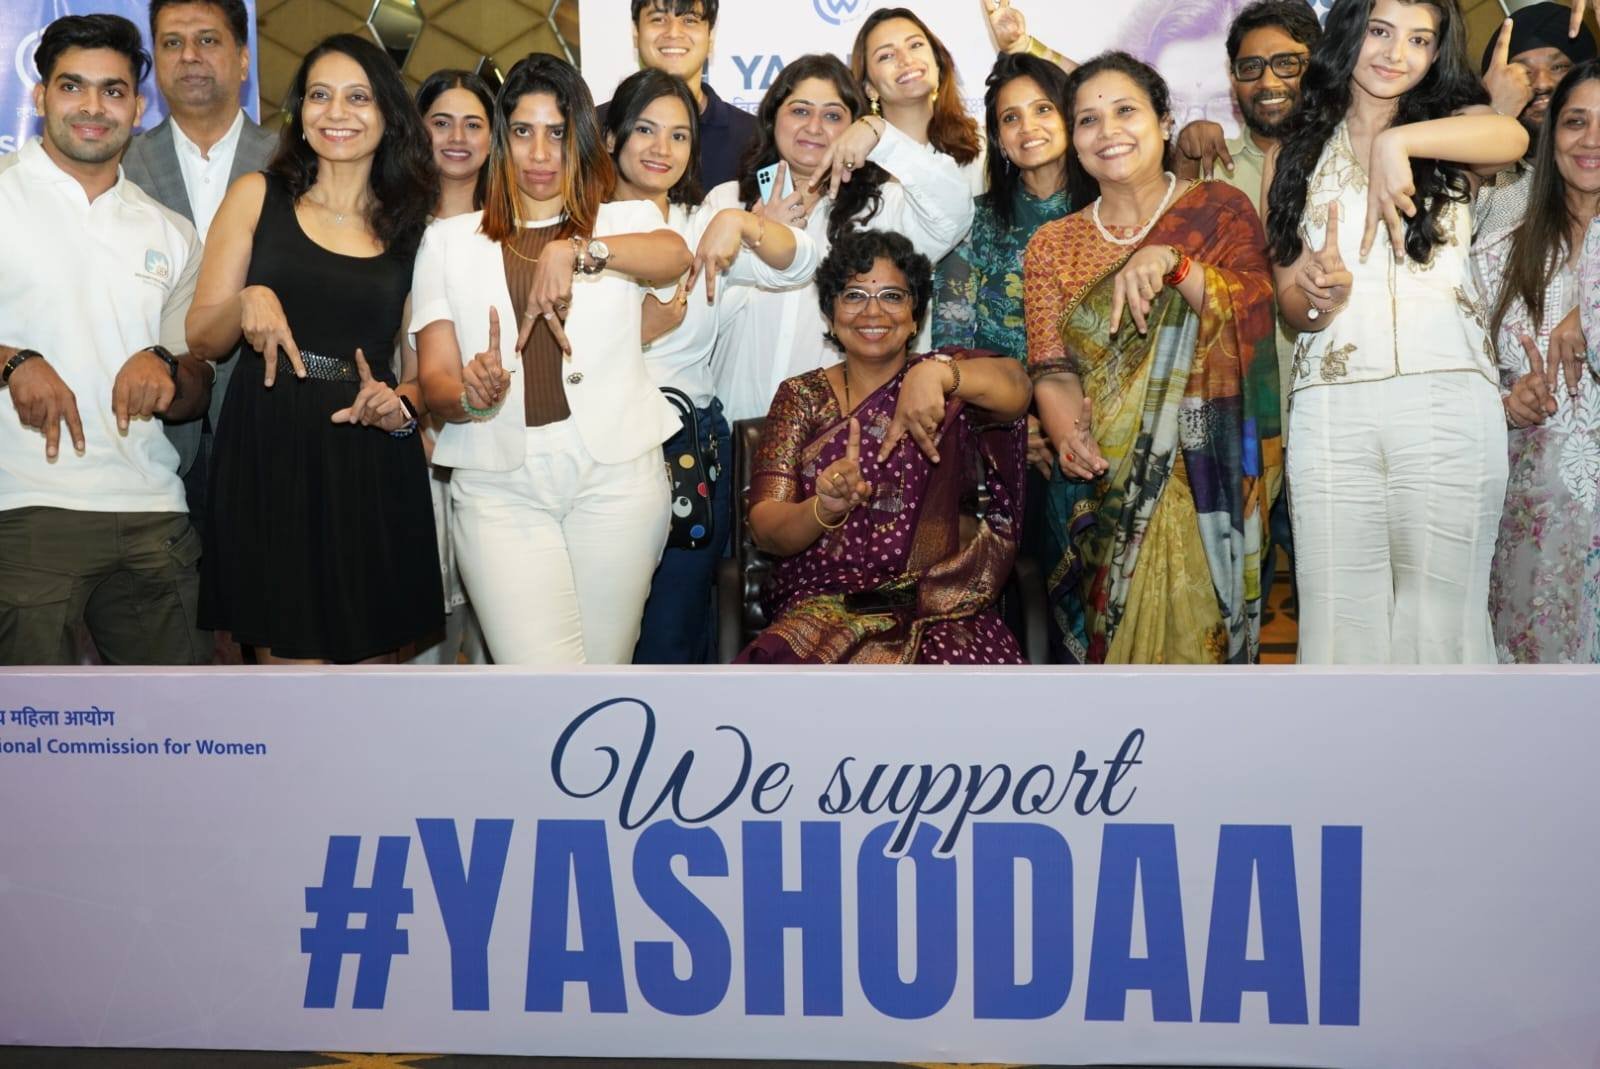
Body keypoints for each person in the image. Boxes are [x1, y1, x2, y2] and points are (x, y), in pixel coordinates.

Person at [1264, 0, 1528, 664]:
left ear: (1437, 51)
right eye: (1381, 32)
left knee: (1443, 625)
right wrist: (1318, 296)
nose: (1395, 53)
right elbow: (1291, 303)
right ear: (1350, 31)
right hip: (1331, 408)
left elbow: (1513, 139)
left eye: (1419, 39)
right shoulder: (1292, 152)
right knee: (1337, 623)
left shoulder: (1453, 128)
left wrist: (1398, 142)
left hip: (1447, 398)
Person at [412, 54, 692, 665]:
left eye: (557, 133)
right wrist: (469, 395)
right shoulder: (447, 241)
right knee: (538, 680)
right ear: (501, 140)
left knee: (601, 677)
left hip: (616, 477)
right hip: (498, 485)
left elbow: (674, 255)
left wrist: (578, 251)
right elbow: (434, 380)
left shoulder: (622, 220)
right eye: (522, 131)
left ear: (581, 139)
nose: (540, 153)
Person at [187, 33, 443, 664]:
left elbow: (418, 379)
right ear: (300, 111)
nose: (337, 112)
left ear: (387, 115)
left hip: (370, 458)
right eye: (320, 96)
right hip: (271, 450)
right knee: (288, 684)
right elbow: (202, 336)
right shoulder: (256, 196)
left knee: (371, 681)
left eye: (358, 97)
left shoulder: (416, 229)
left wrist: (398, 405)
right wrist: (246, 300)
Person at [1024, 52, 1279, 664]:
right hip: (1108, 482)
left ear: (1165, 122)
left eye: (1125, 111)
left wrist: (1176, 264)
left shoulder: (1220, 210)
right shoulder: (1052, 244)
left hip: (1207, 476)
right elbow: (1052, 368)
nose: (1107, 131)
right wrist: (1070, 436)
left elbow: (1255, 309)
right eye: (1088, 120)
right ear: (1074, 140)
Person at [0, 14, 214, 665]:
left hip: (153, 514)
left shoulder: (170, 229)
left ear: (138, 108)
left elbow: (197, 382)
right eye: (73, 86)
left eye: (113, 90)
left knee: (186, 720)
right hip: (24, 511)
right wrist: (12, 361)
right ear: (40, 97)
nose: (93, 107)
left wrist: (167, 368)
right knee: (31, 727)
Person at [601, 69, 818, 664]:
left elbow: (797, 264)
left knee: (673, 631)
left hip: (688, 449)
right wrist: (636, 332)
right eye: (644, 129)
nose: (661, 148)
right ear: (612, 137)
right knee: (595, 635)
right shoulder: (577, 230)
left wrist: (743, 222)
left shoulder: (701, 225)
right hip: (596, 452)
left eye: (678, 136)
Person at [738, 228, 1033, 664]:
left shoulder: (948, 386)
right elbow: (766, 528)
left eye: (892, 296)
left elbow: (1017, 388)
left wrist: (937, 375)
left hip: (942, 609)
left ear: (916, 317)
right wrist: (823, 509)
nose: (872, 310)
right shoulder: (801, 397)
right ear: (831, 315)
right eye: (854, 296)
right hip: (825, 605)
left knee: (968, 693)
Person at [709, 53, 974, 424]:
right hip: (732, 426)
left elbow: (955, 211)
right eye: (800, 111)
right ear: (772, 118)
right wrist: (758, 239)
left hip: (842, 435)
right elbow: (696, 316)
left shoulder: (883, 209)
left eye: (833, 116)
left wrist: (881, 134)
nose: (814, 127)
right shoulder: (727, 202)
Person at [1173, 0, 1324, 625]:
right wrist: (1183, 158)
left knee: (1334, 611)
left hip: (1331, 424)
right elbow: (1169, 260)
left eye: (1287, 63)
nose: (1268, 81)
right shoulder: (1213, 169)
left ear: (1319, 66)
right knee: (1234, 612)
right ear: (1232, 79)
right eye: (1251, 66)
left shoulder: (1350, 162)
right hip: (1239, 430)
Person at [121, 0, 276, 530]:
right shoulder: (116, 165)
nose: (189, 55)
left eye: (207, 40)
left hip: (271, 426)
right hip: (148, 439)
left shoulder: (295, 164)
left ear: (243, 60)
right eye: (172, 42)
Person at [933, 53, 1073, 594]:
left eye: (1043, 109)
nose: (1027, 126)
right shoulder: (977, 221)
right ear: (998, 137)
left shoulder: (1112, 212)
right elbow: (952, 349)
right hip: (1005, 437)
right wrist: (1013, 428)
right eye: (1010, 117)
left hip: (1105, 430)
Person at [1475, 60, 1600, 663]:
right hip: (1530, 516)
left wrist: (1589, 312)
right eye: (1576, 122)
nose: (1592, 139)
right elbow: (1459, 367)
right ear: (1551, 136)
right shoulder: (1503, 242)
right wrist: (1506, 401)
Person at [407, 67, 495, 667]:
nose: (457, 137)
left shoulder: (516, 226)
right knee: (422, 640)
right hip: (409, 442)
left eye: (473, 123)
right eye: (441, 122)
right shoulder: (389, 225)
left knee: (499, 633)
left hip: (497, 446)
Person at [597, 0, 756, 191]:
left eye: (689, 20)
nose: (673, 32)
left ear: (711, 36)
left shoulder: (754, 137)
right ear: (636, 33)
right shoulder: (589, 128)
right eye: (658, 19)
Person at [1475, 3, 1600, 236]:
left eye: (1559, 67)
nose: (1542, 83)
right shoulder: (1483, 180)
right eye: (1522, 72)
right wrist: (1493, 115)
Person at [849, 7, 984, 194]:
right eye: (886, 56)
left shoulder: (983, 147)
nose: (906, 59)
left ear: (937, 63)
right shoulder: (854, 170)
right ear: (869, 87)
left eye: (915, 45)